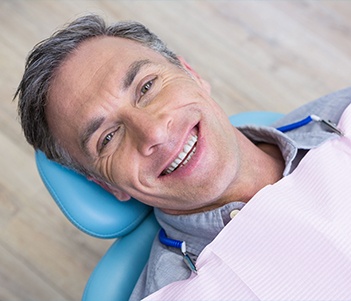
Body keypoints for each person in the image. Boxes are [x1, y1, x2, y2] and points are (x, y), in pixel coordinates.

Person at [15, 14, 351, 300]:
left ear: (191, 73)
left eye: (146, 87)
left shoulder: (342, 116)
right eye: (108, 137)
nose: (155, 134)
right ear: (107, 186)